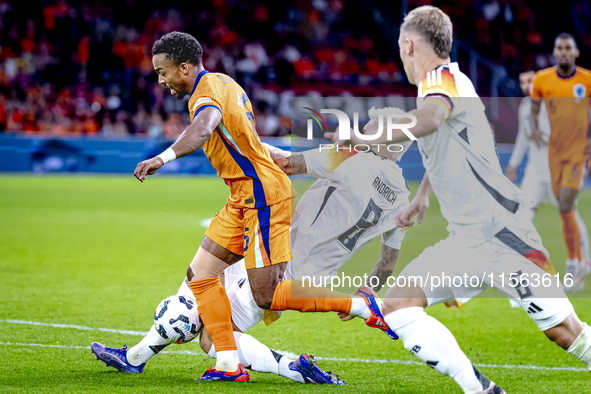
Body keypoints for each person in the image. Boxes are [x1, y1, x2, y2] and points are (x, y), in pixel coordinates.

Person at [330, 6, 591, 393]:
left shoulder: (441, 81)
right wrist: (422, 197)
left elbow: (432, 120)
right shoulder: (449, 83)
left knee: (567, 333)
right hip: (468, 238)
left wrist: (362, 137)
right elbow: (453, 146)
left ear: (408, 44)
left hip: (502, 236)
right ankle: (480, 389)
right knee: (399, 305)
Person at [133, 32, 395, 381]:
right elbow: (255, 144)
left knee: (264, 296)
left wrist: (162, 157)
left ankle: (359, 307)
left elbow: (205, 126)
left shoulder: (205, 96)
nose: (161, 80)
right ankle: (226, 364)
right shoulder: (224, 83)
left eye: (162, 72)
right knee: (201, 274)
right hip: (244, 196)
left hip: (261, 197)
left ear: (184, 67)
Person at [91, 260, 344, 384]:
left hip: (263, 271)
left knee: (210, 336)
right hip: (258, 261)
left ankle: (293, 368)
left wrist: (210, 306)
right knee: (197, 281)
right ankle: (134, 358)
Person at [530, 33, 591, 292]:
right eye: (559, 48)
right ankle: (580, 262)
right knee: (564, 209)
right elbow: (533, 111)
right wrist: (534, 129)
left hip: (579, 153)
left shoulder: (587, 80)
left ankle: (574, 263)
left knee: (566, 202)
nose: (564, 52)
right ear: (554, 53)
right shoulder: (542, 80)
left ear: (576, 52)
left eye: (568, 48)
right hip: (554, 154)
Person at [505, 69, 555, 221]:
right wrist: (513, 164)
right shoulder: (524, 105)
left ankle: (580, 245)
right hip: (535, 167)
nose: (526, 86)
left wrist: (543, 136)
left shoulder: (551, 102)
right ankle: (523, 245)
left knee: (567, 212)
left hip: (555, 166)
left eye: (530, 81)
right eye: (522, 82)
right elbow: (522, 137)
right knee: (524, 211)